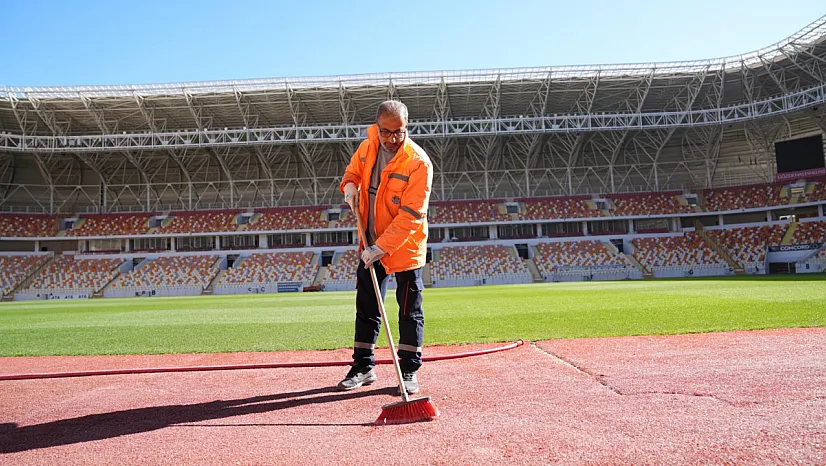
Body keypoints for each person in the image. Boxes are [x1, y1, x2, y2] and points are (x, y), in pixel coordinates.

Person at [337, 100, 433, 395]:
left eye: (399, 132)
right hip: (369, 243)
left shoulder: (418, 162)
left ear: (407, 127)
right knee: (366, 306)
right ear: (377, 128)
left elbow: (411, 216)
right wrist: (349, 187)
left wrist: (381, 247)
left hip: (404, 248)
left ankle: (408, 370)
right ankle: (363, 366)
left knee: (409, 310)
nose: (393, 138)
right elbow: (352, 174)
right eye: (387, 132)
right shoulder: (367, 149)